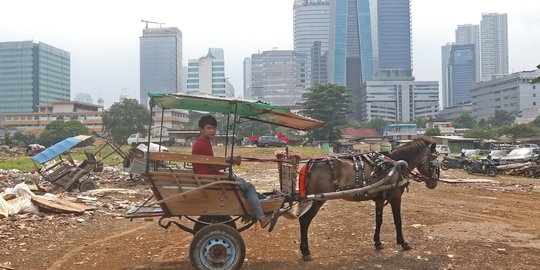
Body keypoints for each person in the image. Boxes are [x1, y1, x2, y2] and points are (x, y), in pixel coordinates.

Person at [192, 115, 277, 229]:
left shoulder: (204, 142)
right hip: (211, 180)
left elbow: (211, 164)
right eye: (209, 128)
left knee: (242, 182)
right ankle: (262, 218)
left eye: (214, 128)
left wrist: (228, 162)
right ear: (201, 129)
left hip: (209, 178)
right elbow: (214, 166)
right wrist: (231, 162)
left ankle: (265, 202)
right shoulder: (202, 144)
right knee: (249, 187)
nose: (212, 131)